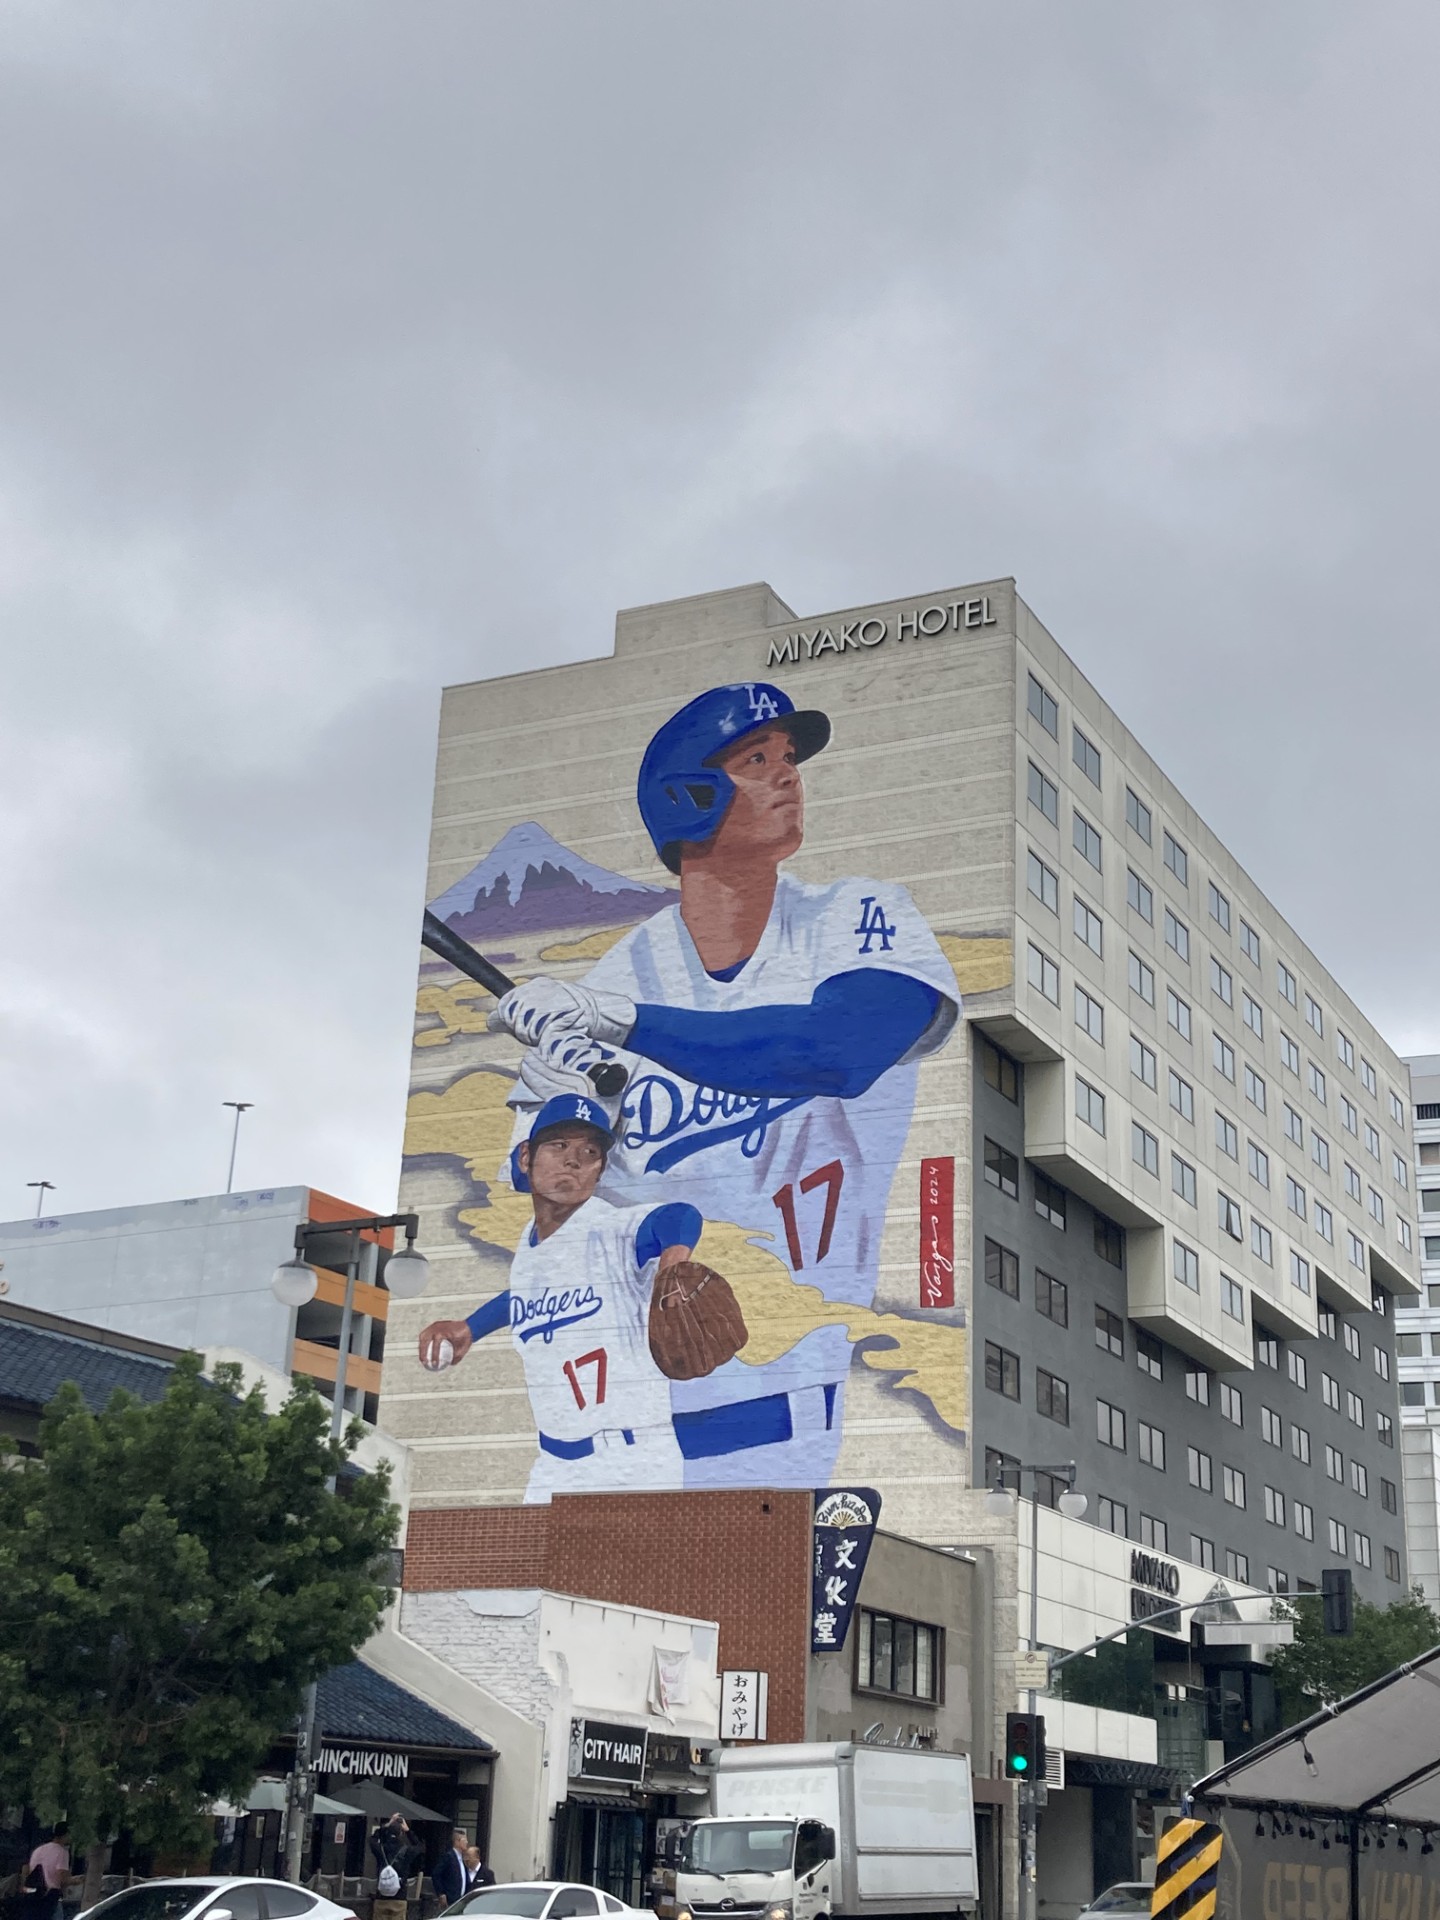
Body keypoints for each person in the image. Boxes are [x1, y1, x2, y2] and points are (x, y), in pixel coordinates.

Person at [487, 682, 960, 1486]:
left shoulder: (855, 916)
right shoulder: (613, 979)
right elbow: (539, 1195)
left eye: (788, 757)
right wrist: (559, 1112)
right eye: (756, 759)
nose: (788, 774)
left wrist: (623, 1025)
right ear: (688, 795)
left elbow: (840, 1050)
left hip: (780, 1417)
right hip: (607, 1431)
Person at [418, 1095, 743, 1499]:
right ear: (526, 1157)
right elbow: (525, 1294)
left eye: (589, 1152)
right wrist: (471, 1328)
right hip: (552, 1465)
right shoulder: (532, 1245)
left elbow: (678, 1216)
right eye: (559, 1145)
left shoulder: (608, 1229)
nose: (573, 1160)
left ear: (599, 1171)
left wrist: (673, 1265)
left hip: (631, 1460)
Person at [370, 1814, 419, 1920]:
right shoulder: (406, 1850)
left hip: (381, 1897)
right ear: (401, 1833)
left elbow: (372, 1840)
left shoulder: (381, 1849)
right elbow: (419, 1846)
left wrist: (387, 1825)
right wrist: (408, 1831)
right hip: (399, 1897)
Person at [25, 1825, 70, 1920]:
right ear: (65, 1835)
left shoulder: (38, 1850)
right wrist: (74, 1881)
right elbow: (61, 1877)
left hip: (33, 1895)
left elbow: (30, 1871)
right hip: (51, 1896)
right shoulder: (62, 1852)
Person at [430, 1830, 471, 1907]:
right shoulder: (448, 1856)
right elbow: (436, 1874)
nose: (467, 1842)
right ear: (457, 1842)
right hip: (450, 1899)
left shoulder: (462, 1859)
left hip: (461, 1899)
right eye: (464, 1840)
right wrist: (441, 1893)